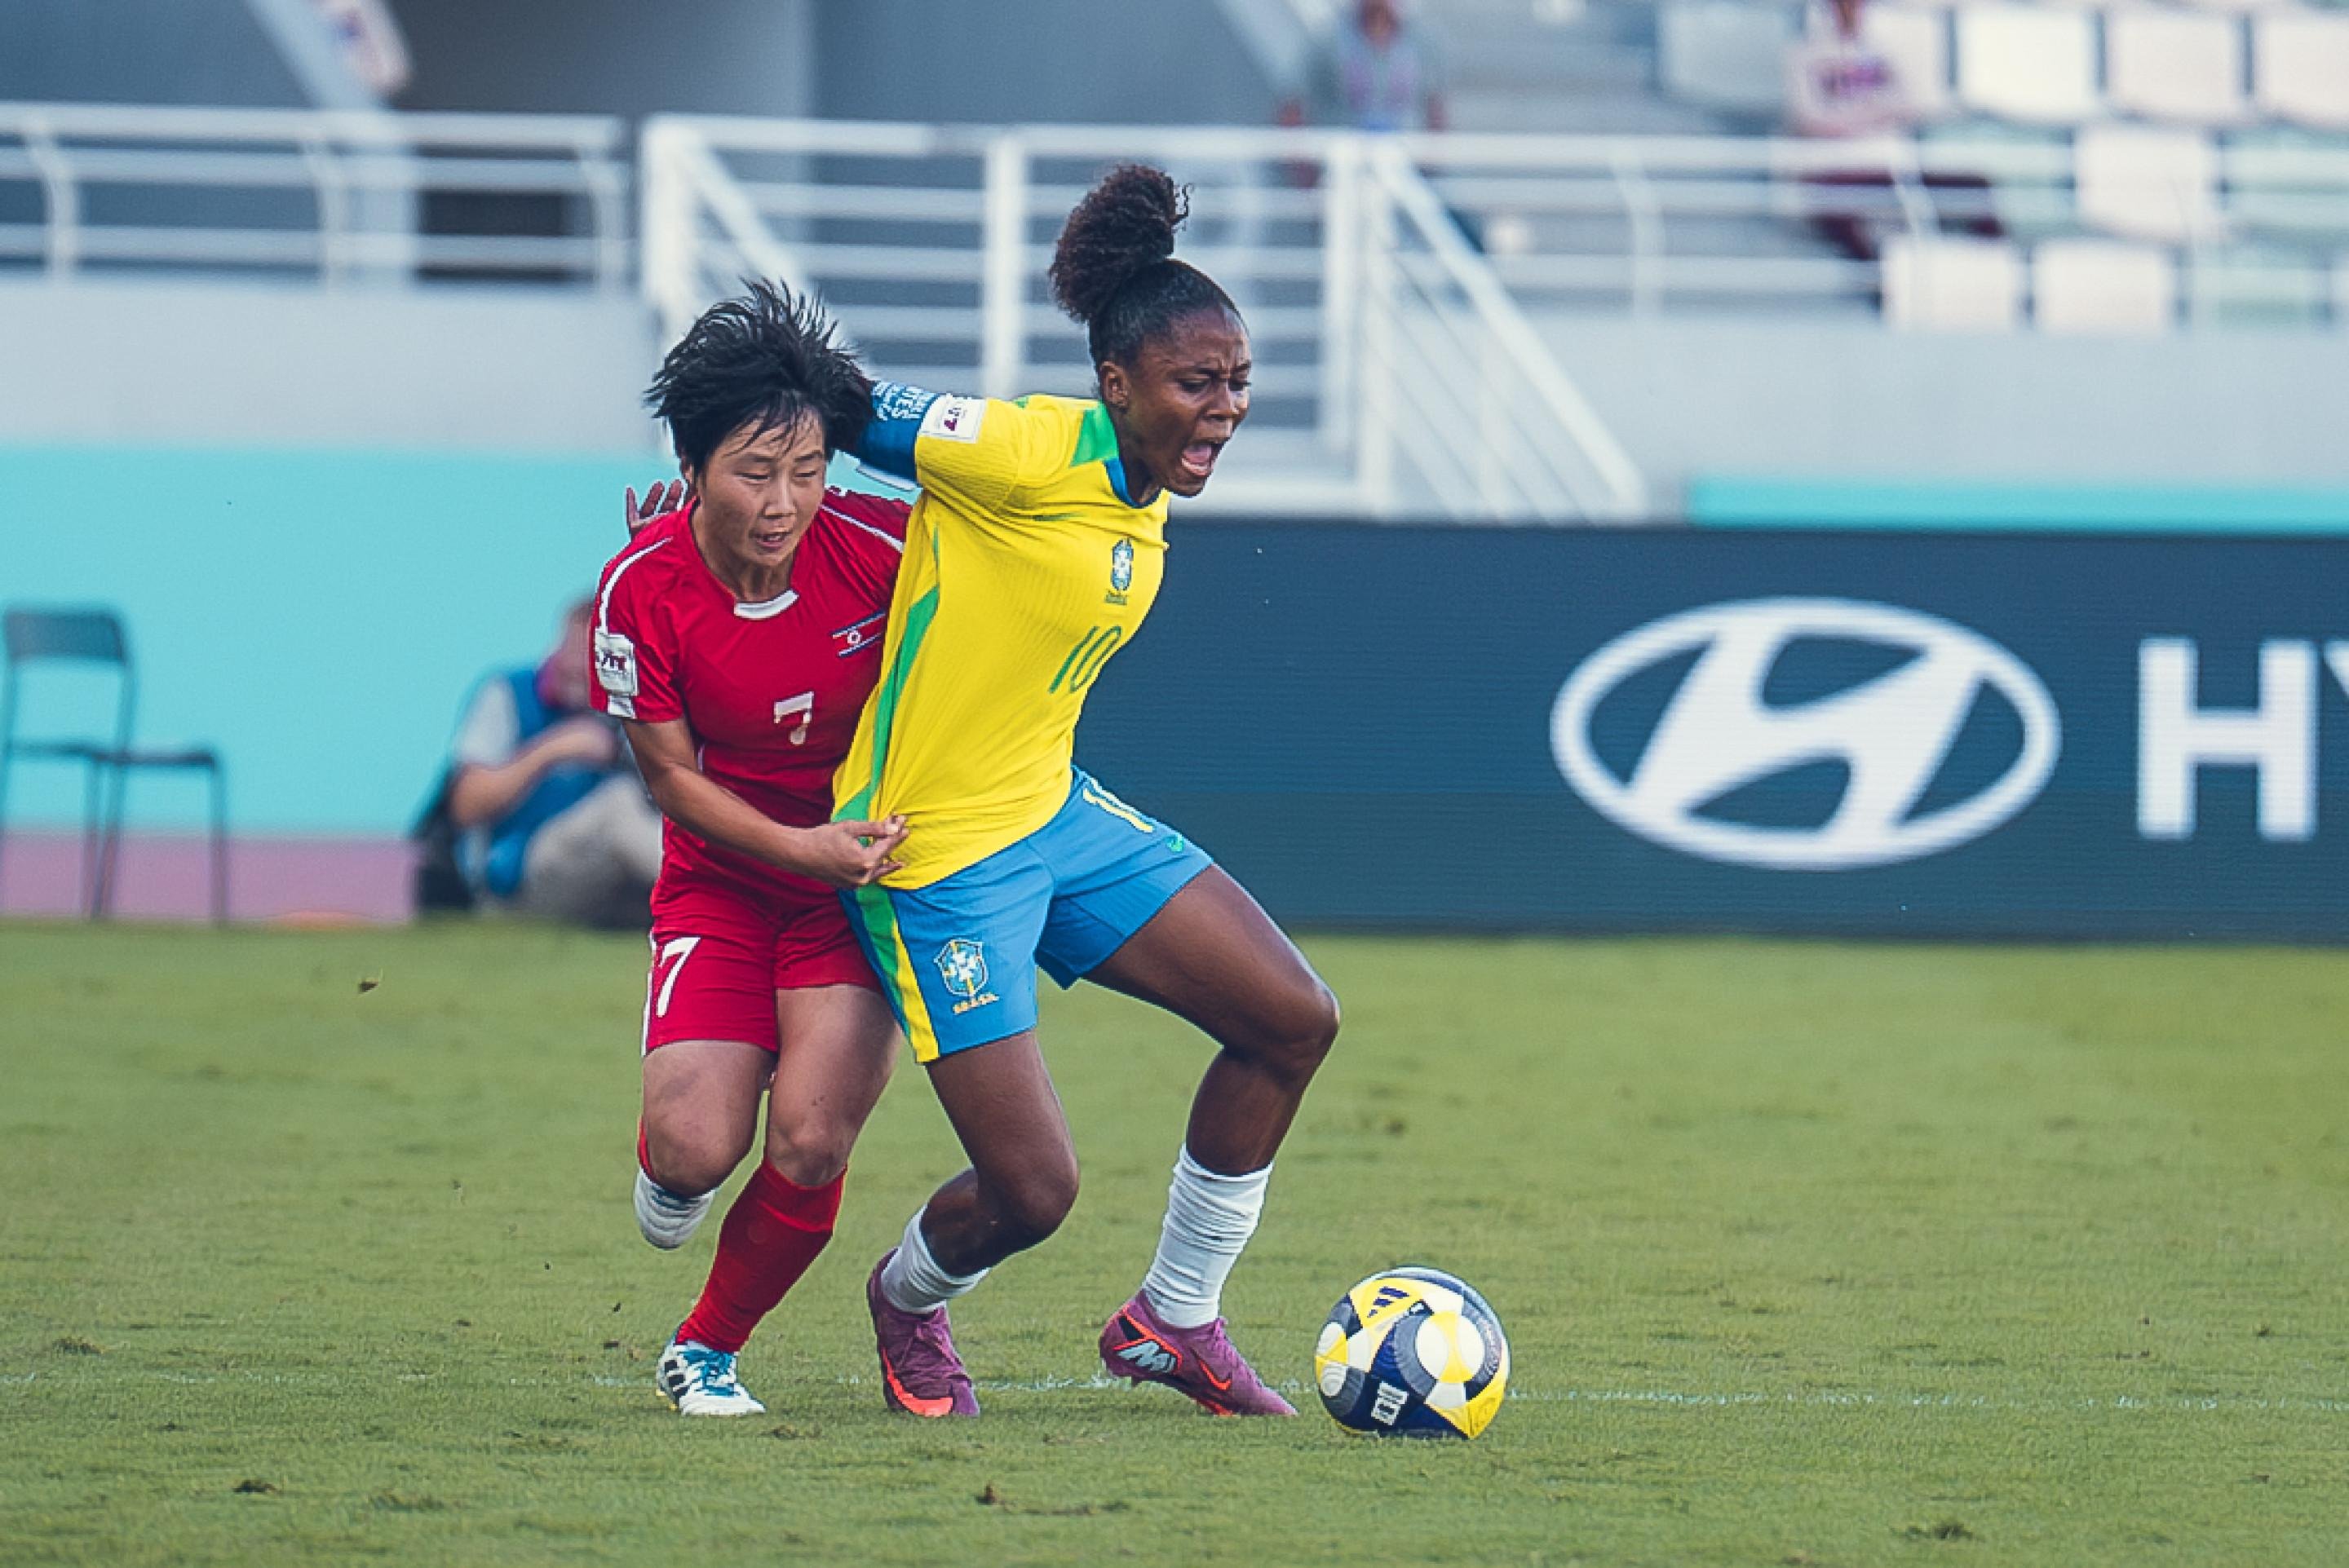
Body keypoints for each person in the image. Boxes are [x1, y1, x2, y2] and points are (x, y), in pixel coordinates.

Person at [838, 165, 1342, 1420]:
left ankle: (1172, 1317)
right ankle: (907, 1296)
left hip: (1054, 813)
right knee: (1032, 1194)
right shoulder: (1018, 444)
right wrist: (730, 413)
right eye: (1195, 384)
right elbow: (843, 405)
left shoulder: (1143, 481)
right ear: (1116, 383)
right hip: (936, 852)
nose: (1223, 409)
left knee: (1292, 1015)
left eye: (1235, 383)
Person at [586, 283, 913, 1417]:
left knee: (814, 1135)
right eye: (753, 473)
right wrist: (798, 844)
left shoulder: (885, 548)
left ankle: (705, 1349)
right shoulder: (641, 589)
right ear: (690, 469)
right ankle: (672, 1157)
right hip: (724, 885)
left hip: (849, 893)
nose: (784, 503)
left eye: (809, 470)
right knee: (689, 1148)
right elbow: (670, 779)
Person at [439, 601, 661, 928]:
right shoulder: (509, 693)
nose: (576, 666)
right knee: (618, 804)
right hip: (514, 886)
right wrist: (551, 750)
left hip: (607, 888)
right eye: (573, 650)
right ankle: (732, 899)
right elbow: (465, 806)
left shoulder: (635, 706)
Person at [1785, 0, 2000, 264]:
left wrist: (1855, 115)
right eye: (1843, 7)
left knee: (1973, 185)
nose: (1850, 13)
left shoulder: (1881, 53)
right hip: (1840, 167)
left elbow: (1907, 104)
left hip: (1889, 163)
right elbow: (1811, 119)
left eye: (1857, 7)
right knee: (1836, 209)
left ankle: (1996, 267)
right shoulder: (1806, 56)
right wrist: (1873, 112)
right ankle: (1875, 279)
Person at [1280, 0, 1449, 134]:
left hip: (1404, 157)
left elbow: (1435, 107)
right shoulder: (1328, 41)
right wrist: (1306, 170)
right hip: (1341, 157)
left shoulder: (1420, 43)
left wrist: (1431, 164)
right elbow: (1293, 104)